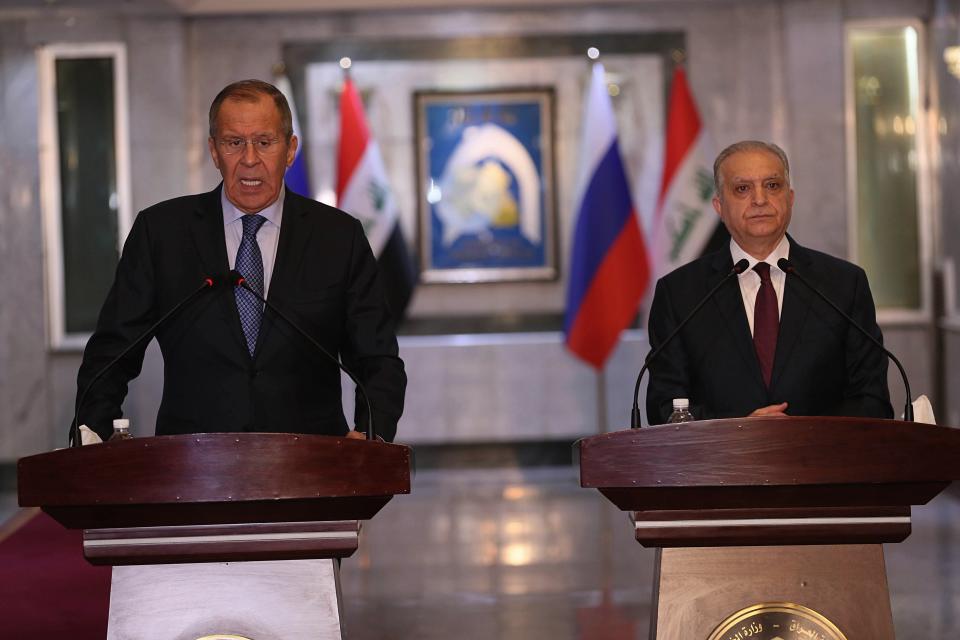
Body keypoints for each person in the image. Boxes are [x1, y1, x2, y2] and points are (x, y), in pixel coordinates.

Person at [75, 79, 406, 442]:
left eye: (265, 142)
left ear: (290, 149)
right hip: (191, 470)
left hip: (313, 468)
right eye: (234, 143)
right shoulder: (162, 234)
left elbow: (377, 358)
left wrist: (370, 435)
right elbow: (111, 354)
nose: (250, 159)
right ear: (214, 151)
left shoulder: (339, 237)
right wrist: (92, 434)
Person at [645, 140, 893, 424]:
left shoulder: (844, 284)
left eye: (772, 185)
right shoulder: (680, 293)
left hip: (822, 463)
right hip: (720, 466)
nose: (760, 199)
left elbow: (872, 399)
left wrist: (800, 437)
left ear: (790, 197)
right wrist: (742, 430)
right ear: (719, 206)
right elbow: (664, 406)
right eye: (742, 189)